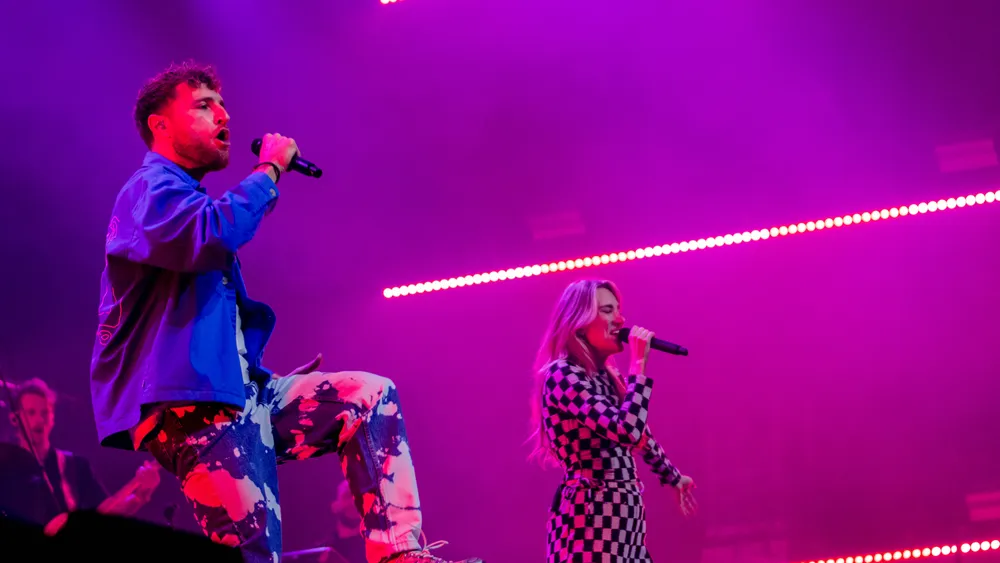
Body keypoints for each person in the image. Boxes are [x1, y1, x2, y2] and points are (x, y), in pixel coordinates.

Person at [89, 60, 480, 563]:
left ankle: (399, 554)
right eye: (204, 106)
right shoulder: (149, 190)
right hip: (193, 406)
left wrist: (255, 375)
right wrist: (269, 169)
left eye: (222, 104)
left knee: (369, 397)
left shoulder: (181, 198)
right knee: (254, 553)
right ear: (159, 125)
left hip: (235, 393)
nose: (223, 115)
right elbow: (215, 234)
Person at [529, 279, 698, 563]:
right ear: (580, 324)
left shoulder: (607, 376)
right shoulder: (563, 374)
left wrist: (672, 476)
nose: (620, 319)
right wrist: (638, 366)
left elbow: (642, 436)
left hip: (625, 514)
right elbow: (626, 431)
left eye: (618, 310)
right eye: (607, 310)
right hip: (591, 517)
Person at [0, 378, 160, 531]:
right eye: (31, 413)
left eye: (45, 413)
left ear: (53, 418)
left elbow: (108, 513)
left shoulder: (75, 466)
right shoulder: (6, 467)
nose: (39, 420)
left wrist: (142, 494)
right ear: (15, 418)